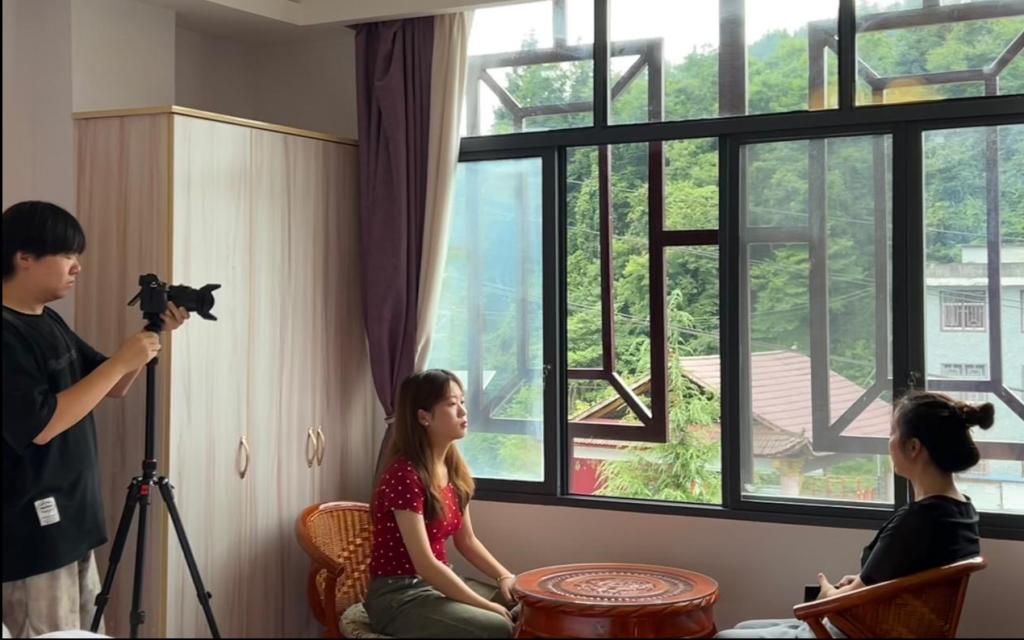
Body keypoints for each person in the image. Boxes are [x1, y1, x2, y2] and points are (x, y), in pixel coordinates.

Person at [2, 201, 190, 637]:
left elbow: (113, 385)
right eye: (67, 255)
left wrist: (153, 334)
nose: (77, 267)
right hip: (33, 534)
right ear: (24, 256)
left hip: (74, 521)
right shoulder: (7, 334)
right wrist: (122, 359)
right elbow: (42, 426)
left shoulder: (47, 319)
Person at [716, 391, 992, 638]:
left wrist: (828, 593)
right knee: (744, 627)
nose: (889, 441)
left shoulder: (918, 521)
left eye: (893, 432)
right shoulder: (962, 511)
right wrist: (863, 582)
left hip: (856, 630)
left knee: (727, 636)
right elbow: (905, 580)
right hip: (879, 624)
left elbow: (846, 599)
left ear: (913, 447)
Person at [364, 369, 517, 638]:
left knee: (526, 607)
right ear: (424, 417)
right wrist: (487, 607)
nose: (463, 411)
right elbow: (424, 563)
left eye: (462, 402)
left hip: (436, 586)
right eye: (451, 404)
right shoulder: (404, 475)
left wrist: (505, 577)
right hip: (399, 597)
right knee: (498, 626)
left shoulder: (453, 468)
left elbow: (467, 541)